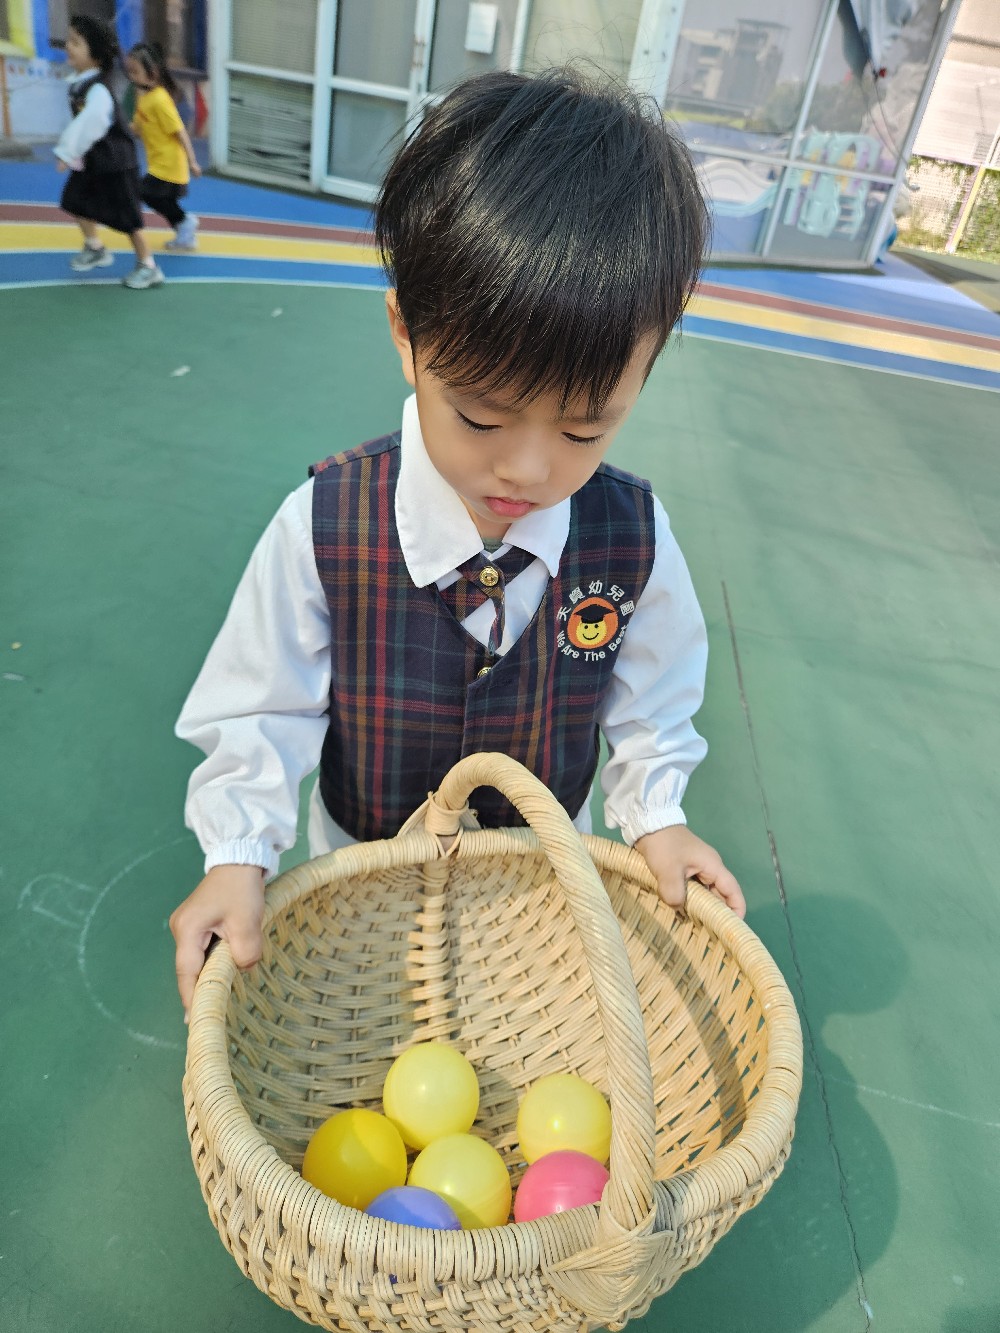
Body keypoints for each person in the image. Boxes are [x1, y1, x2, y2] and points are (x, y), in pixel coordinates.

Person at [170, 68, 746, 1018]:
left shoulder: (633, 537)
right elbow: (262, 704)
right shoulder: (326, 521)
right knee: (368, 1031)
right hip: (363, 876)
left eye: (586, 429)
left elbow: (654, 702)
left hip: (537, 878)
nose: (527, 468)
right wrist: (236, 854)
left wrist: (659, 819)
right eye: (480, 416)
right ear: (406, 334)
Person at [54, 16, 164, 290]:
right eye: (69, 40)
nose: (68, 46)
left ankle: (148, 266)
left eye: (76, 43)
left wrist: (67, 151)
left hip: (117, 163)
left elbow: (91, 123)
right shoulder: (80, 82)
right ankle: (95, 247)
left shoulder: (98, 90)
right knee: (75, 200)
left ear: (96, 55)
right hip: (95, 161)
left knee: (129, 219)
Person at [124, 42, 201, 253]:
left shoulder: (160, 100)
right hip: (158, 162)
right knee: (158, 198)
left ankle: (184, 222)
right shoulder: (143, 97)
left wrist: (193, 161)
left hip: (169, 163)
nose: (131, 76)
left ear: (153, 73)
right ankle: (184, 228)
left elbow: (180, 131)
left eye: (135, 71)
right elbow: (137, 127)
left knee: (143, 192)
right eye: (130, 71)